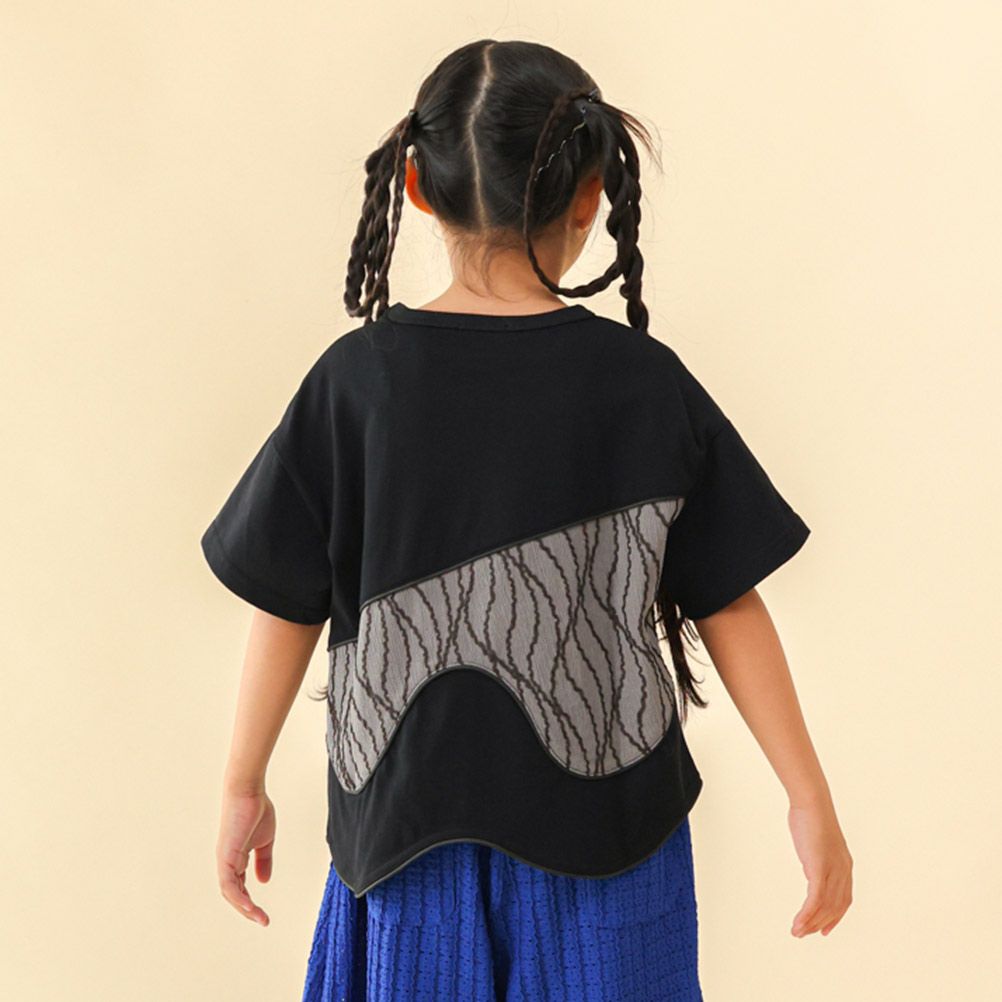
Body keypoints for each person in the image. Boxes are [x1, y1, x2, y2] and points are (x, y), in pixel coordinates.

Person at [200, 38, 853, 1002]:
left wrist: (241, 784)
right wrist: (808, 796)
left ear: (416, 187)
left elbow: (287, 602)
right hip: (615, 845)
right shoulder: (641, 382)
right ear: (591, 196)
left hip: (403, 843)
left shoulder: (357, 385)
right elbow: (726, 600)